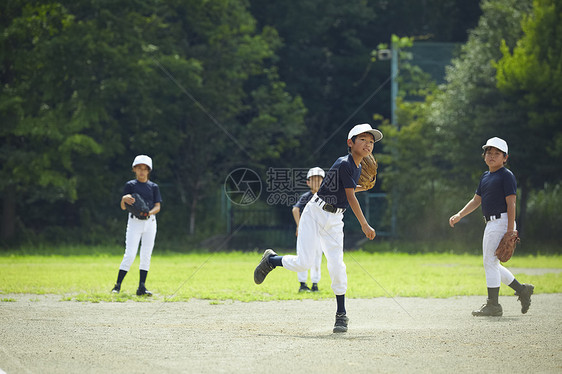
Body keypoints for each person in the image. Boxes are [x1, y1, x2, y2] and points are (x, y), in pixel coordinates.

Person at [254, 123, 382, 333]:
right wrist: (364, 224)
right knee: (304, 263)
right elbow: (349, 196)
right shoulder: (344, 163)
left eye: (371, 142)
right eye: (363, 140)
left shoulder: (358, 167)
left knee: (337, 265)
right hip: (315, 214)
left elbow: (345, 190)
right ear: (350, 143)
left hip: (335, 220)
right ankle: (271, 260)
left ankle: (341, 314)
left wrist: (362, 186)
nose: (368, 144)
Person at [449, 137, 534, 316]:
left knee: (490, 263)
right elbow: (476, 200)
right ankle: (522, 290)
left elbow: (511, 204)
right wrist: (459, 214)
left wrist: (510, 229)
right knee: (492, 263)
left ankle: (493, 305)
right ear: (484, 156)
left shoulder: (506, 175)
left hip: (502, 221)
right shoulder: (486, 177)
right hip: (491, 223)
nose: (492, 156)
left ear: (505, 158)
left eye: (497, 153)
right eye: (489, 152)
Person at [111, 155, 162, 296]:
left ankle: (141, 288)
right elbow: (123, 207)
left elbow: (158, 206)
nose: (142, 171)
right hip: (134, 222)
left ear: (148, 171)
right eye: (139, 168)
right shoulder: (130, 185)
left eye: (145, 169)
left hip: (150, 223)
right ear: (134, 169)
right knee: (130, 255)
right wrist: (123, 199)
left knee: (146, 255)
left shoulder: (153, 187)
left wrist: (148, 213)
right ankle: (117, 286)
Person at [292, 167, 325, 293]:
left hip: (319, 232)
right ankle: (302, 284)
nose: (316, 182)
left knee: (317, 257)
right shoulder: (306, 197)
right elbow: (295, 209)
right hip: (306, 232)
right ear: (308, 182)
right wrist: (299, 226)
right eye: (313, 180)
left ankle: (315, 283)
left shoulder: (325, 197)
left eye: (319, 180)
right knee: (303, 256)